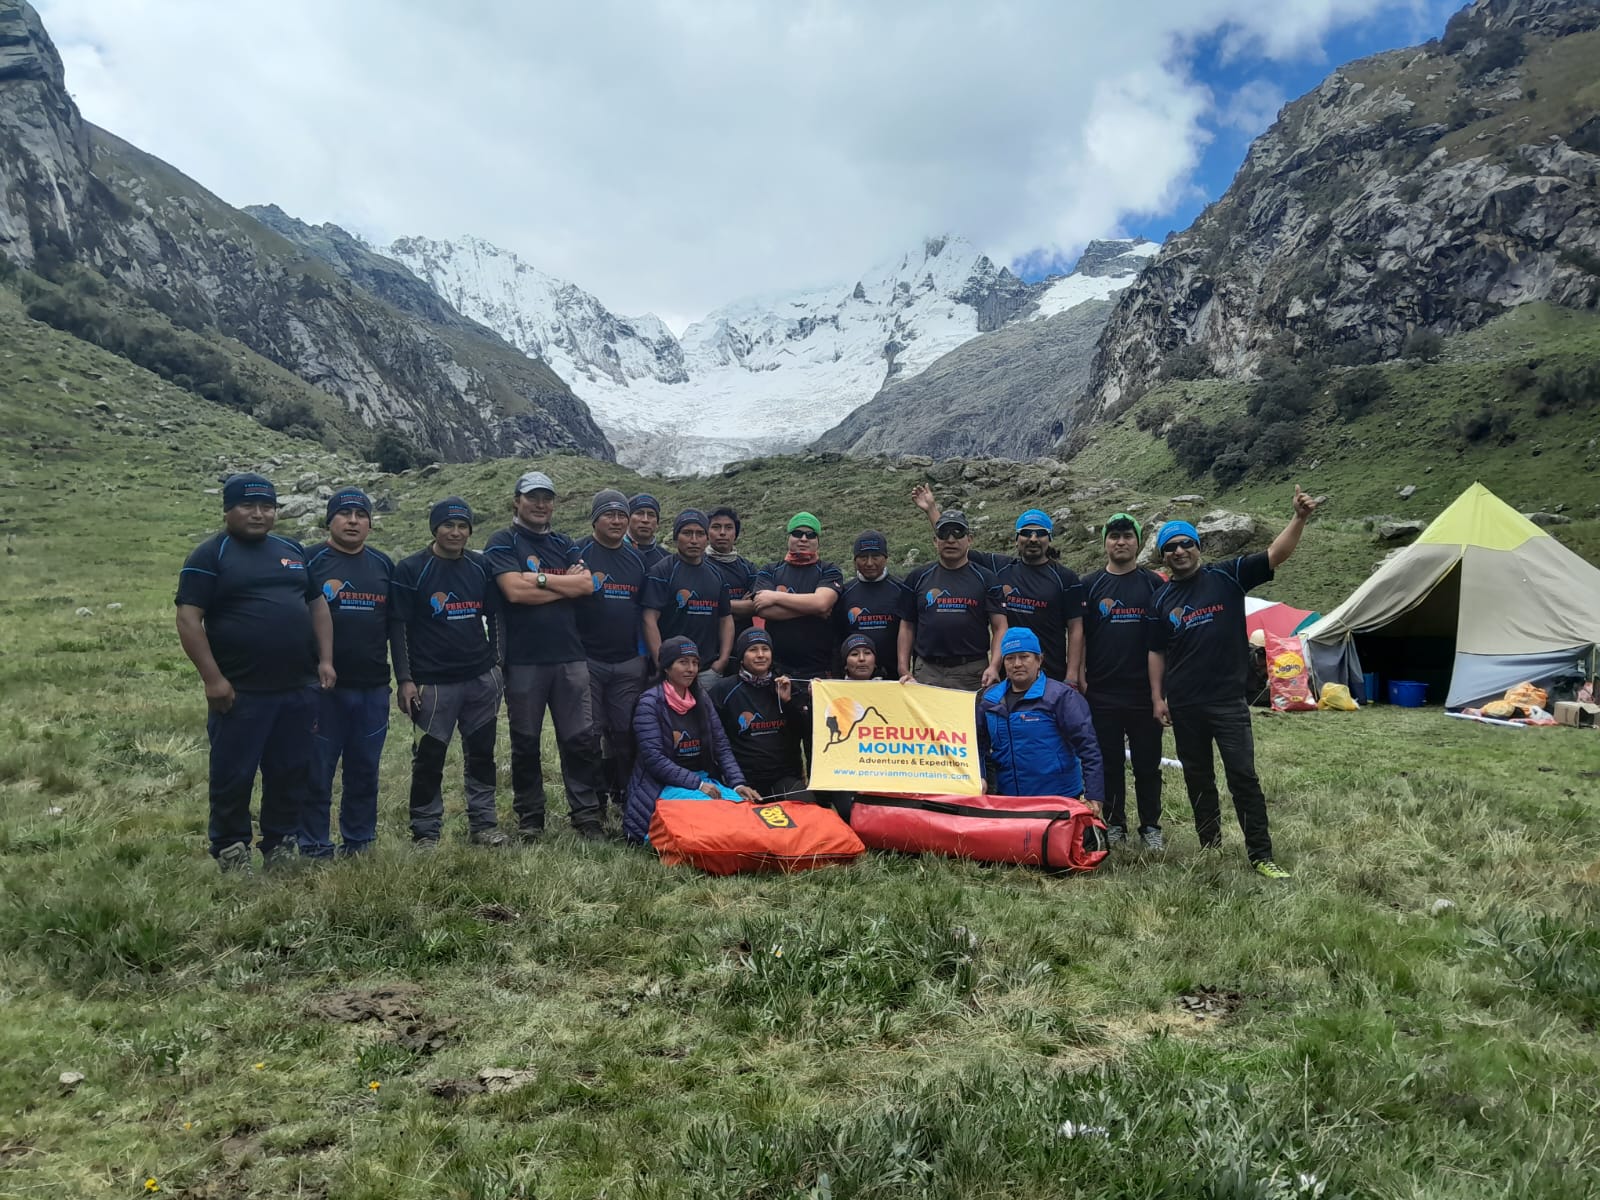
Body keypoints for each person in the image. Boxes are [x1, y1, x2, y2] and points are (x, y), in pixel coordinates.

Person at [1146, 488, 1317, 879]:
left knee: (1243, 776)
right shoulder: (1161, 599)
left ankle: (1261, 854)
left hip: (1227, 702)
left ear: (1197, 547)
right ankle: (1210, 846)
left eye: (1186, 543)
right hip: (1185, 704)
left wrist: (1299, 519)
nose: (1178, 551)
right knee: (1198, 777)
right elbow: (1156, 652)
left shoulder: (1227, 575)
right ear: (1163, 555)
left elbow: (1276, 555)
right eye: (1169, 546)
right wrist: (1158, 698)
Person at [175, 473, 336, 872]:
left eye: (268, 506)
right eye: (248, 505)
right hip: (241, 690)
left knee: (290, 769)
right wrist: (213, 679)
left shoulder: (291, 550)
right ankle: (230, 846)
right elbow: (188, 618)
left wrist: (326, 660)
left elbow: (317, 605)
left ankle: (280, 841)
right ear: (228, 509)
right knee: (234, 772)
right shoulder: (211, 554)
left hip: (298, 686)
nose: (259, 513)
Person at [483, 471, 606, 840]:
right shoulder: (502, 541)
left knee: (579, 740)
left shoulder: (566, 543)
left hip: (570, 657)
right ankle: (530, 819)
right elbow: (513, 593)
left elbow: (586, 584)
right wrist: (562, 585)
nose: (541, 505)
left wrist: (535, 579)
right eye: (533, 497)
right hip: (523, 660)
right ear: (516, 500)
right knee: (525, 742)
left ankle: (586, 816)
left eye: (547, 498)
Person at [390, 498, 508, 848]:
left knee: (482, 755)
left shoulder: (480, 565)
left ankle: (484, 825)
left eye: (462, 526)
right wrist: (406, 680)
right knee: (428, 758)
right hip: (434, 683)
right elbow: (398, 628)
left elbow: (497, 616)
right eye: (448, 525)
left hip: (480, 679)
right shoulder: (411, 569)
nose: (456, 532)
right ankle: (425, 833)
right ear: (435, 529)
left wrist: (498, 664)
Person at [302, 488, 394, 859]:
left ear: (370, 523)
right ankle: (313, 845)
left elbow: (397, 626)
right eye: (345, 513)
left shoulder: (384, 565)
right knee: (316, 770)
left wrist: (403, 678)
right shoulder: (308, 560)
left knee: (364, 770)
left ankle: (359, 842)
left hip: (373, 688)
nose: (353, 520)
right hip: (321, 690)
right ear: (330, 520)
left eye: (361, 514)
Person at [913, 486, 1084, 685]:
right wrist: (931, 509)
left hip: (1050, 671)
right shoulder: (999, 568)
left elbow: (1075, 629)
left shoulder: (1065, 578)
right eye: (1026, 533)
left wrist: (1072, 675)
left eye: (1040, 533)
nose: (1033, 539)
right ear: (1016, 538)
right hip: (1005, 672)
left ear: (1050, 538)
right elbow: (955, 543)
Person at [1081, 512, 1168, 849]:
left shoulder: (1154, 583)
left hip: (1145, 693)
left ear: (1137, 542)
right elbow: (1081, 636)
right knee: (1109, 763)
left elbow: (1164, 641)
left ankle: (1151, 828)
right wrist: (1080, 676)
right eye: (1114, 536)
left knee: (1148, 764)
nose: (1120, 542)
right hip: (1101, 691)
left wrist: (1164, 692)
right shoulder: (1089, 585)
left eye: (1127, 536)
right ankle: (1115, 824)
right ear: (1105, 542)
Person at [622, 637, 761, 843]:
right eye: (683, 662)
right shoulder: (649, 703)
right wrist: (697, 785)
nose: (691, 669)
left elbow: (721, 747)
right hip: (664, 785)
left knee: (741, 808)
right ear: (667, 667)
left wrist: (738, 784)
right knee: (710, 814)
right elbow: (654, 759)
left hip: (703, 779)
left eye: (695, 663)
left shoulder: (701, 699)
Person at [575, 488, 651, 826]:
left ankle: (624, 796)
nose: (617, 520)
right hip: (587, 660)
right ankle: (593, 804)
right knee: (590, 732)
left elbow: (643, 613)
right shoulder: (579, 552)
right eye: (609, 514)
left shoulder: (636, 560)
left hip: (627, 663)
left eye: (622, 514)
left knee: (624, 732)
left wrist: (643, 657)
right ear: (595, 518)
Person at [976, 627, 1104, 807]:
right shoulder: (990, 699)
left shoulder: (1061, 697)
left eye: (1024, 656)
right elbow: (978, 746)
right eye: (1010, 658)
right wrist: (979, 777)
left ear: (1039, 659)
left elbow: (1088, 747)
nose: (1017, 664)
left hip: (1058, 799)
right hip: (1007, 798)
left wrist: (1094, 794)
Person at [899, 508, 1006, 691]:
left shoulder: (987, 578)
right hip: (927, 671)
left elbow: (1000, 626)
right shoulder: (917, 577)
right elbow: (907, 625)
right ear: (935, 541)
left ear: (969, 539)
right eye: (943, 533)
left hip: (973, 672)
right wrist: (903, 668)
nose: (950, 540)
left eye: (958, 533)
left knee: (970, 720)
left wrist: (994, 666)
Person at [709, 628, 809, 801]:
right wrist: (733, 781)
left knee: (806, 810)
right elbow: (714, 740)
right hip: (742, 779)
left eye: (765, 649)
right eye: (753, 650)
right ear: (741, 656)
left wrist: (789, 703)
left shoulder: (786, 685)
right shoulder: (723, 690)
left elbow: (805, 732)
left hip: (783, 777)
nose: (761, 655)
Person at [642, 509, 734, 676]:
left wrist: (723, 660)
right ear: (676, 537)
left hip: (708, 669)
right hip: (672, 669)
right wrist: (660, 663)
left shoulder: (717, 574)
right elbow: (649, 618)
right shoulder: (662, 571)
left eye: (700, 534)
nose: (693, 540)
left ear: (707, 538)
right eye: (687, 533)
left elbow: (726, 618)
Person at [834, 530, 911, 674]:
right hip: (855, 680)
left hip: (894, 678)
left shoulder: (903, 590)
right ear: (854, 561)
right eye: (863, 557)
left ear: (886, 558)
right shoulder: (844, 593)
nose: (869, 563)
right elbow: (837, 639)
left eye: (875, 557)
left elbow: (910, 632)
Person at [707, 506, 759, 635]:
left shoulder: (748, 567)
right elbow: (699, 607)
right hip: (709, 642)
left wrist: (717, 605)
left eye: (729, 527)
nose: (722, 533)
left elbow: (756, 606)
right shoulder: (698, 565)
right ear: (706, 532)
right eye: (716, 527)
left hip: (743, 644)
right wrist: (740, 605)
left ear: (735, 533)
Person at [626, 493, 670, 572]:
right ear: (628, 519)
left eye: (651, 514)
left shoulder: (667, 559)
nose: (645, 520)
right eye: (639, 513)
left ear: (657, 523)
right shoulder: (612, 552)